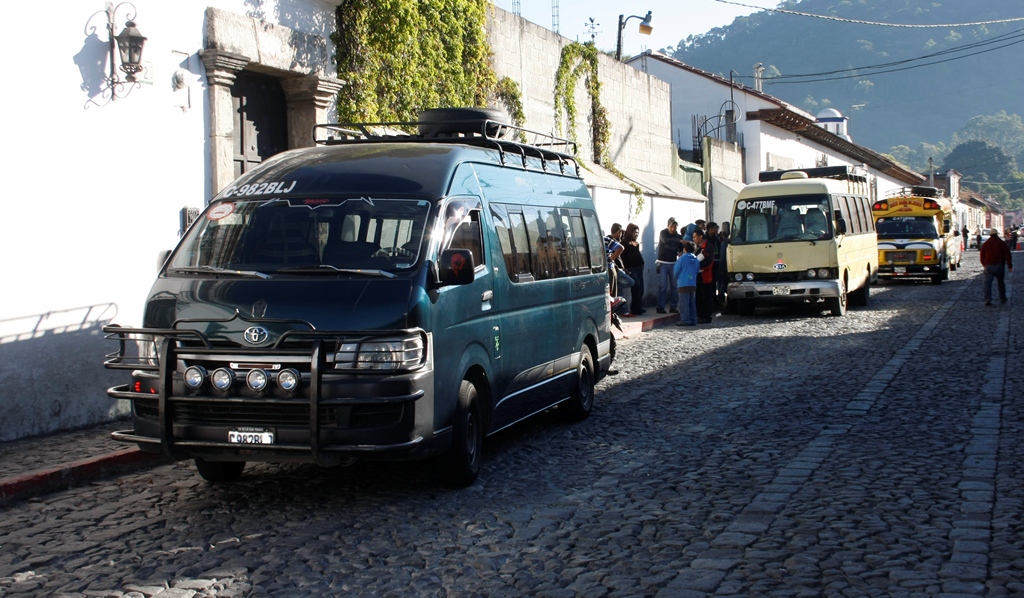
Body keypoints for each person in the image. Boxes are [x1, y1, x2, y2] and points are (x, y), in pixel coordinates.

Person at [605, 223, 635, 315]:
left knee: (616, 292)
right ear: (618, 232)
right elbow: (620, 249)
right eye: (621, 233)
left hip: (614, 269)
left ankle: (618, 311)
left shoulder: (615, 241)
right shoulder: (608, 240)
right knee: (613, 292)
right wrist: (611, 259)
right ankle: (617, 312)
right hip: (611, 269)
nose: (622, 235)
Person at [655, 217, 683, 313]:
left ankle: (673, 306)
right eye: (671, 226)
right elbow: (665, 240)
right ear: (668, 226)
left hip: (673, 263)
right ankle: (660, 307)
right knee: (662, 286)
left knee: (674, 286)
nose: (673, 229)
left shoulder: (678, 236)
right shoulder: (663, 233)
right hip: (662, 262)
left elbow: (681, 248)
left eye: (675, 227)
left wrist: (680, 251)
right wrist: (679, 241)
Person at [980, 228, 1013, 306]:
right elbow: (1007, 254)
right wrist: (1009, 266)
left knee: (988, 283)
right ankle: (1002, 297)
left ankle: (988, 298)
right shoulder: (1001, 243)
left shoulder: (986, 244)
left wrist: (984, 265)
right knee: (1001, 282)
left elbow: (982, 256)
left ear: (990, 235)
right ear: (996, 234)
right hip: (999, 265)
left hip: (988, 265)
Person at [673, 241, 700, 326]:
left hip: (683, 283)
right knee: (692, 303)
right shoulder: (696, 260)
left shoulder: (681, 259)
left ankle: (685, 320)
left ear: (685, 249)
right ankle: (693, 319)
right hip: (692, 283)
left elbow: (676, 271)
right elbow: (697, 270)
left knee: (684, 303)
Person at [621, 223, 646, 315]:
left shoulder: (636, 243)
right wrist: (625, 268)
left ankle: (638, 307)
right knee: (636, 287)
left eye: (637, 232)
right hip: (631, 268)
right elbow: (622, 257)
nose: (636, 234)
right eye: (635, 232)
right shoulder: (624, 243)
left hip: (639, 268)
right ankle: (635, 309)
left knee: (641, 288)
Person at [692, 228, 716, 323]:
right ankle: (700, 315)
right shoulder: (696, 247)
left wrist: (698, 266)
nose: (694, 239)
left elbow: (709, 261)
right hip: (697, 276)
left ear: (700, 237)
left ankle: (706, 316)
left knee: (706, 296)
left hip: (705, 276)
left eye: (695, 237)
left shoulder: (708, 247)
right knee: (698, 297)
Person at [705, 222, 723, 308]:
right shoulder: (706, 239)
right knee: (710, 283)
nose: (717, 230)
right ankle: (710, 300)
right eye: (715, 228)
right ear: (710, 229)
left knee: (715, 281)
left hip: (717, 262)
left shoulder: (716, 239)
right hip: (709, 264)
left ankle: (715, 299)